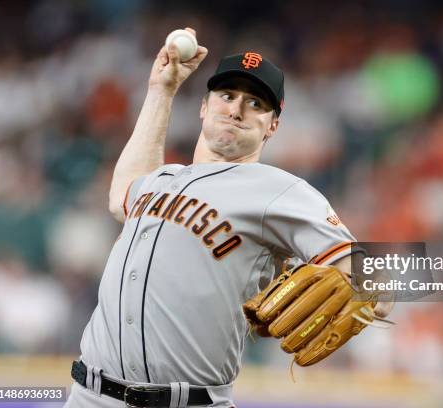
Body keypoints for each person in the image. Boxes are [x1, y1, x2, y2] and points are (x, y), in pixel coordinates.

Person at [65, 27, 389, 408]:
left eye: (255, 103)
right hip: (89, 396)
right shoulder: (163, 178)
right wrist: (161, 90)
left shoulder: (279, 190)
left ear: (273, 126)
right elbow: (123, 195)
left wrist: (374, 288)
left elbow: (377, 282)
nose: (236, 109)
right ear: (204, 106)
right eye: (227, 95)